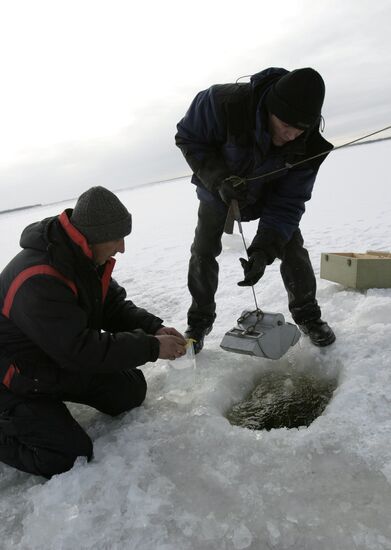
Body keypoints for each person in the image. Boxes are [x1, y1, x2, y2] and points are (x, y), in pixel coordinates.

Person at [0, 186, 187, 478]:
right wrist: (152, 347)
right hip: (16, 376)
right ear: (92, 237)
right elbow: (80, 350)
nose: (122, 248)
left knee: (129, 391)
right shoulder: (37, 279)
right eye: (117, 239)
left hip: (54, 361)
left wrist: (154, 327)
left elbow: (112, 307)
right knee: (67, 455)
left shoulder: (83, 258)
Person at [175, 66, 336, 353]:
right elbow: (189, 137)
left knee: (292, 246)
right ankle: (198, 323)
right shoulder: (222, 103)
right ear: (270, 110)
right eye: (285, 125)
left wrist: (263, 250)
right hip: (219, 192)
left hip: (270, 194)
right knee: (203, 249)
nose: (291, 135)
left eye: (300, 130)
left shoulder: (309, 145)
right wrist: (217, 178)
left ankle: (309, 316)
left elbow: (288, 204)